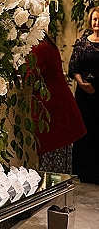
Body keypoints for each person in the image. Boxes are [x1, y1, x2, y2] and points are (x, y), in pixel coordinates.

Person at [31, 34, 86, 173]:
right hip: (59, 107)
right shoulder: (46, 44)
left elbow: (31, 76)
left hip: (52, 111)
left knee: (51, 170)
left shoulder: (39, 47)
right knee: (60, 166)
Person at [68, 6, 99, 183]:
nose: (97, 22)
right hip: (85, 95)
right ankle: (83, 172)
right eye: (94, 19)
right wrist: (81, 83)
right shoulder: (81, 43)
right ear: (90, 21)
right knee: (84, 132)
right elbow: (73, 67)